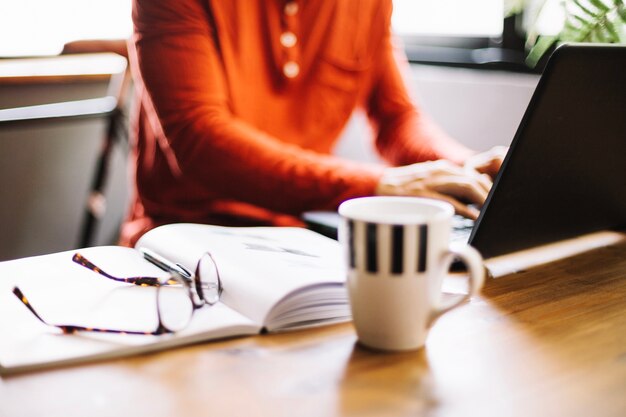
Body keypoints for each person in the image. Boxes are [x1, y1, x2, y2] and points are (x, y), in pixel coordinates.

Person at [120, 0, 504, 247]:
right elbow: (200, 141)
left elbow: (396, 119)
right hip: (180, 239)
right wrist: (378, 185)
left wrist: (464, 167)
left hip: (297, 238)